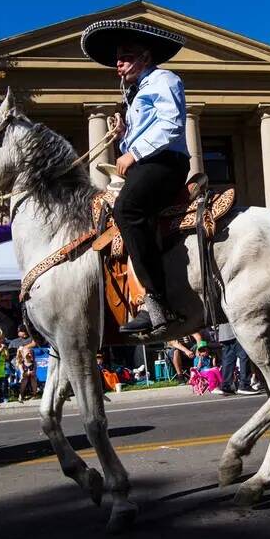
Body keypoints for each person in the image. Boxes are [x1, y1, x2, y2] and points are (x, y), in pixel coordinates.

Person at [81, 19, 190, 336]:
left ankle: (157, 304)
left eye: (126, 56)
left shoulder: (164, 80)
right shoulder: (136, 92)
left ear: (145, 56)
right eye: (117, 57)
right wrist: (125, 135)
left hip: (165, 162)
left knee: (127, 210)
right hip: (145, 163)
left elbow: (171, 124)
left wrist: (133, 152)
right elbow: (148, 129)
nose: (118, 63)